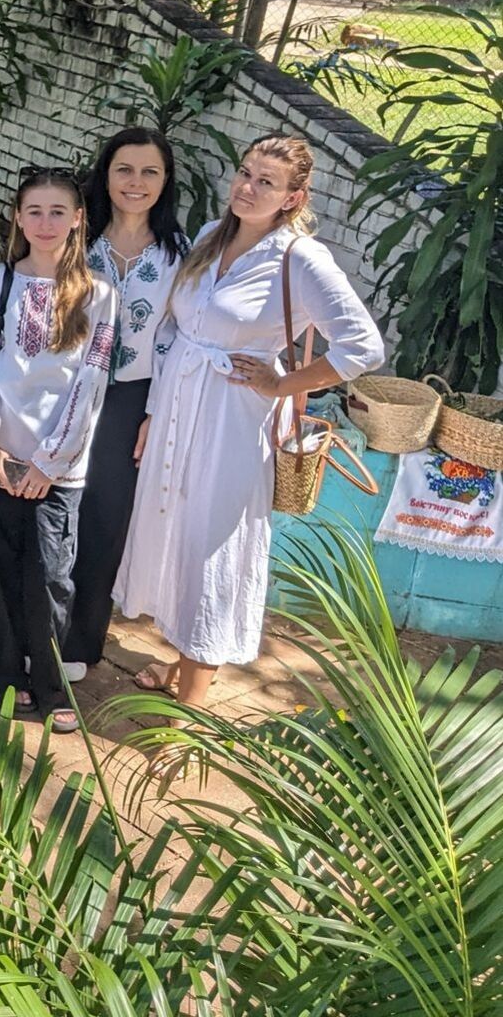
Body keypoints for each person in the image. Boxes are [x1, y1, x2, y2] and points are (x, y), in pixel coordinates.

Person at [115, 135, 384, 708]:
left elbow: (363, 346)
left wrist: (282, 383)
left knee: (214, 545)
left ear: (294, 197)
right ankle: (180, 661)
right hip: (179, 410)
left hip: (233, 419)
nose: (248, 187)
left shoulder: (300, 258)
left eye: (266, 181)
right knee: (176, 535)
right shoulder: (213, 237)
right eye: (245, 172)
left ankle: (187, 709)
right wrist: (155, 410)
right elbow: (176, 330)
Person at [0, 168, 117, 733]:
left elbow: (91, 381)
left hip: (59, 471)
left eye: (59, 212)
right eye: (35, 211)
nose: (46, 223)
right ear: (17, 217)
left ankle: (52, 689)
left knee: (50, 580)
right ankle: (0, 682)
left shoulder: (99, 294)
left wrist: (50, 462)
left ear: (78, 218)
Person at [63, 128, 190, 678]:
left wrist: (155, 412)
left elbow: (179, 337)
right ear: (105, 174)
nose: (135, 183)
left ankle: (78, 642)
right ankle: (28, 625)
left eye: (149, 172)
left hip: (130, 402)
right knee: (48, 507)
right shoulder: (73, 235)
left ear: (166, 183)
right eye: (124, 170)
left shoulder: (180, 254)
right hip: (61, 392)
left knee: (104, 517)